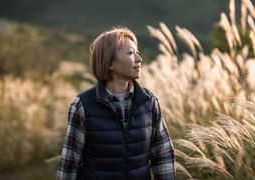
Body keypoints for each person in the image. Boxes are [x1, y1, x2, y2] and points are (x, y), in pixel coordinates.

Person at [56, 27, 175, 180]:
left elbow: (163, 155)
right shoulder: (82, 106)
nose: (139, 59)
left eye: (137, 52)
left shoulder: (149, 102)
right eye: (131, 53)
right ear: (110, 62)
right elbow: (69, 164)